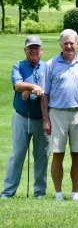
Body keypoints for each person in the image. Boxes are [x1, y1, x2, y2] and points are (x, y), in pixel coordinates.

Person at [41, 29, 78, 201]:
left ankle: (74, 193)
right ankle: (58, 194)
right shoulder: (51, 65)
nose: (69, 46)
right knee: (58, 153)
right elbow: (45, 94)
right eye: (66, 43)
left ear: (77, 44)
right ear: (61, 45)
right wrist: (46, 119)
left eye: (72, 43)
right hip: (57, 113)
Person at [1, 36, 49, 199]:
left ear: (42, 51)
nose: (33, 50)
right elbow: (17, 85)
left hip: (42, 119)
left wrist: (37, 90)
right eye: (30, 48)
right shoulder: (19, 66)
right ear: (25, 50)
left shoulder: (47, 67)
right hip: (22, 117)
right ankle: (8, 192)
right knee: (18, 154)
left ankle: (40, 192)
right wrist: (32, 87)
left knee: (41, 156)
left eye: (37, 47)